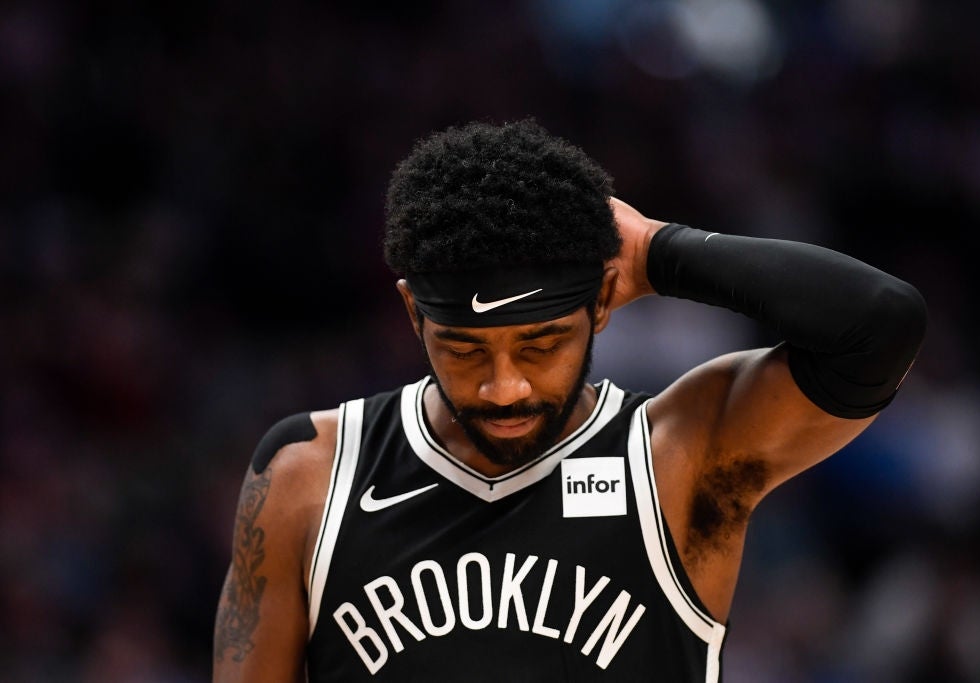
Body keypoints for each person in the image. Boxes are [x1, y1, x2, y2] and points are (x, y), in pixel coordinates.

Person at [212, 119, 927, 682]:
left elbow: (880, 324)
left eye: (540, 344)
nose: (504, 386)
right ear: (412, 315)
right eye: (464, 349)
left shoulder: (678, 457)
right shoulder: (307, 475)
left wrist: (656, 250)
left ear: (602, 305)